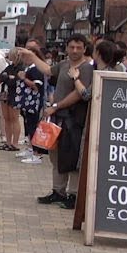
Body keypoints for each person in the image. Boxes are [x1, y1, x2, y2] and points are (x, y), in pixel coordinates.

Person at [27, 35, 95, 210]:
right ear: (67, 48)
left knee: (71, 156)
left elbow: (79, 94)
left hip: (73, 118)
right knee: (55, 155)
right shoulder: (64, 65)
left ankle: (72, 194)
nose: (74, 50)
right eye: (71, 47)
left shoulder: (86, 68)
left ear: (84, 49)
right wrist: (33, 56)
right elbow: (49, 70)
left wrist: (56, 106)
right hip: (58, 117)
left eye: (78, 47)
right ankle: (58, 191)